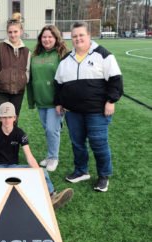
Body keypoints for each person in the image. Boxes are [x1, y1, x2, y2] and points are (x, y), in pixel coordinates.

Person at [0, 102, 73, 214]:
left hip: (14, 168)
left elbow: (29, 157)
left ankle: (52, 196)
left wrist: (37, 171)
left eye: (10, 117)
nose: (7, 120)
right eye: (4, 117)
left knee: (42, 171)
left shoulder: (20, 133)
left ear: (15, 118)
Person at [54, 22, 123, 192]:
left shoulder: (103, 55)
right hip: (72, 112)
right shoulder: (66, 60)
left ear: (89, 36)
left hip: (97, 111)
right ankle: (81, 171)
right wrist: (59, 102)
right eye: (74, 36)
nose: (77, 39)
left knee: (98, 143)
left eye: (81, 35)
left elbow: (116, 80)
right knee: (77, 143)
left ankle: (103, 176)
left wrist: (111, 101)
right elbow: (58, 84)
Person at [27, 25, 69, 172]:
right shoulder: (35, 55)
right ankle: (50, 154)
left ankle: (54, 157)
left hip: (55, 101)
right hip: (41, 99)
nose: (47, 39)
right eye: (44, 37)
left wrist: (62, 101)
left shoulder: (61, 54)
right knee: (48, 129)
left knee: (51, 130)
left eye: (50, 36)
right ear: (40, 39)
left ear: (56, 38)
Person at [0, 13, 30, 117]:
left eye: (15, 32)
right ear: (7, 33)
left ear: (21, 32)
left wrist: (24, 79)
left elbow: (27, 70)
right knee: (3, 120)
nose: (13, 35)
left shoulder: (26, 51)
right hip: (1, 90)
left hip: (18, 92)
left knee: (14, 120)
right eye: (10, 32)